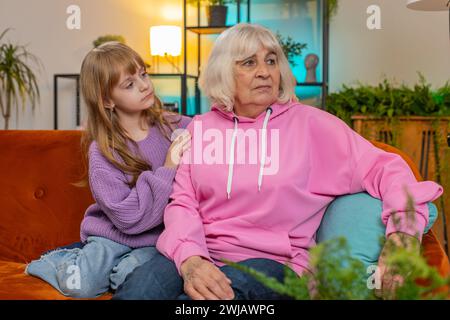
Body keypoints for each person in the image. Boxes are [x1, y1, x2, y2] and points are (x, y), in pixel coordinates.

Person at [113, 23, 444, 300]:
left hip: (277, 264)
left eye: (271, 61)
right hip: (200, 254)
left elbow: (386, 168)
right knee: (141, 289)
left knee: (217, 298)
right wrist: (190, 260)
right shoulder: (200, 129)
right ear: (223, 73)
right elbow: (182, 204)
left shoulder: (312, 126)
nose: (264, 72)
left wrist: (402, 235)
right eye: (248, 63)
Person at [25, 42, 191, 298]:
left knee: (130, 275)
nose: (144, 85)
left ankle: (114, 268)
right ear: (106, 100)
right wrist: (168, 168)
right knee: (80, 285)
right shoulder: (103, 151)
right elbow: (128, 218)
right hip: (112, 236)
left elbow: (213, 130)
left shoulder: (174, 126)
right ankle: (61, 259)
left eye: (143, 74)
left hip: (155, 239)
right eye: (129, 84)